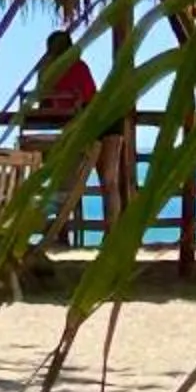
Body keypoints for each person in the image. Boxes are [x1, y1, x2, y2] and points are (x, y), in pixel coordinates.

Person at [22, 27, 126, 243]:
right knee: (108, 181)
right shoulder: (78, 68)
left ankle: (102, 235)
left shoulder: (53, 71)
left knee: (73, 181)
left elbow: (48, 106)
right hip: (104, 119)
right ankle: (112, 236)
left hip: (93, 122)